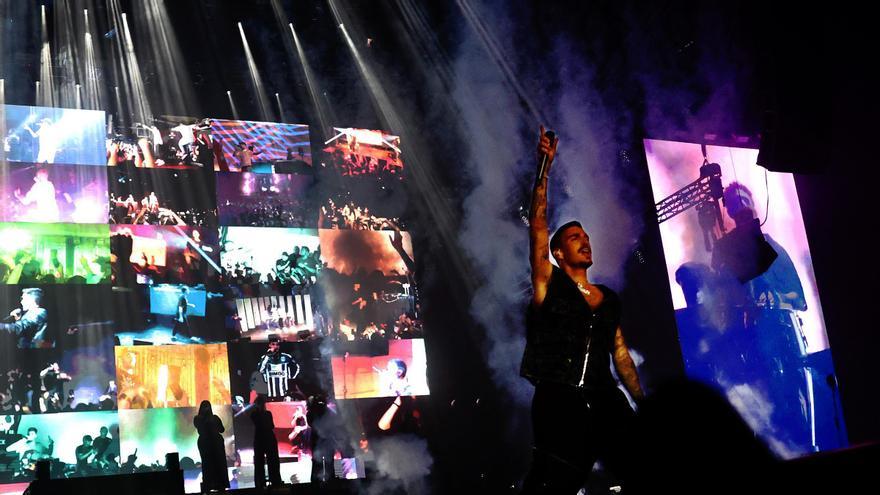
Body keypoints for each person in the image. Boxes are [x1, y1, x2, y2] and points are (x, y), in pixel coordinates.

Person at [520, 127, 645, 493]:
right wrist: (544, 166)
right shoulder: (549, 281)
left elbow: (619, 352)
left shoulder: (607, 297)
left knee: (639, 466)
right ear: (559, 253)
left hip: (604, 395)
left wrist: (642, 403)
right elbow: (539, 224)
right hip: (558, 396)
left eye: (586, 237)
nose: (585, 242)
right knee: (553, 479)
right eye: (575, 238)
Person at [193, 400, 229, 491]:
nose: (206, 409)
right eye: (205, 407)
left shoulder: (214, 418)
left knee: (218, 463)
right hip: (206, 444)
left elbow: (222, 429)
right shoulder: (198, 418)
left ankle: (219, 484)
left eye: (207, 406)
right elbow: (200, 426)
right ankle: (209, 484)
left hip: (215, 443)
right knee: (207, 464)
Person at [250, 394, 282, 489]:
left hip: (262, 438)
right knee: (272, 461)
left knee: (261, 461)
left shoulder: (256, 414)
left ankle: (262, 482)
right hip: (267, 438)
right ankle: (274, 481)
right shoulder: (265, 414)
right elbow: (271, 426)